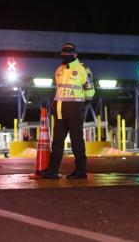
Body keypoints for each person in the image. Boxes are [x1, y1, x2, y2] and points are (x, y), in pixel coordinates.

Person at [40, 42, 95, 179]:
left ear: (75, 54)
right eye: (64, 52)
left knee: (77, 141)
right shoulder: (59, 70)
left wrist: (82, 104)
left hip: (75, 109)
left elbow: (90, 92)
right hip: (59, 110)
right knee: (57, 142)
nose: (66, 54)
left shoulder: (83, 69)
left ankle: (81, 170)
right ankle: (53, 170)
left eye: (69, 52)